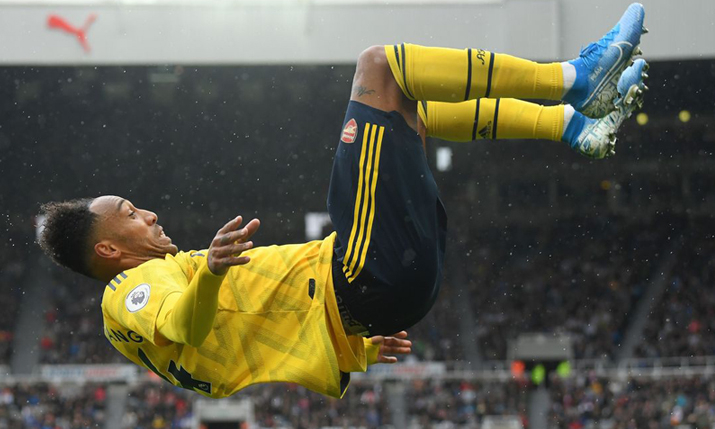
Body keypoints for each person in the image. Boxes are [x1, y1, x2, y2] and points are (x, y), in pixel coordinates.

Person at [38, 4, 648, 399]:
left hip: (382, 295)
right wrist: (213, 274)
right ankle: (573, 78)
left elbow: (234, 350)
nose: (148, 213)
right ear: (109, 247)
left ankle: (572, 125)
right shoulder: (130, 294)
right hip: (359, 277)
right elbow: (185, 321)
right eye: (130, 213)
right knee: (379, 67)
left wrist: (355, 343)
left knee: (409, 108)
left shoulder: (152, 302)